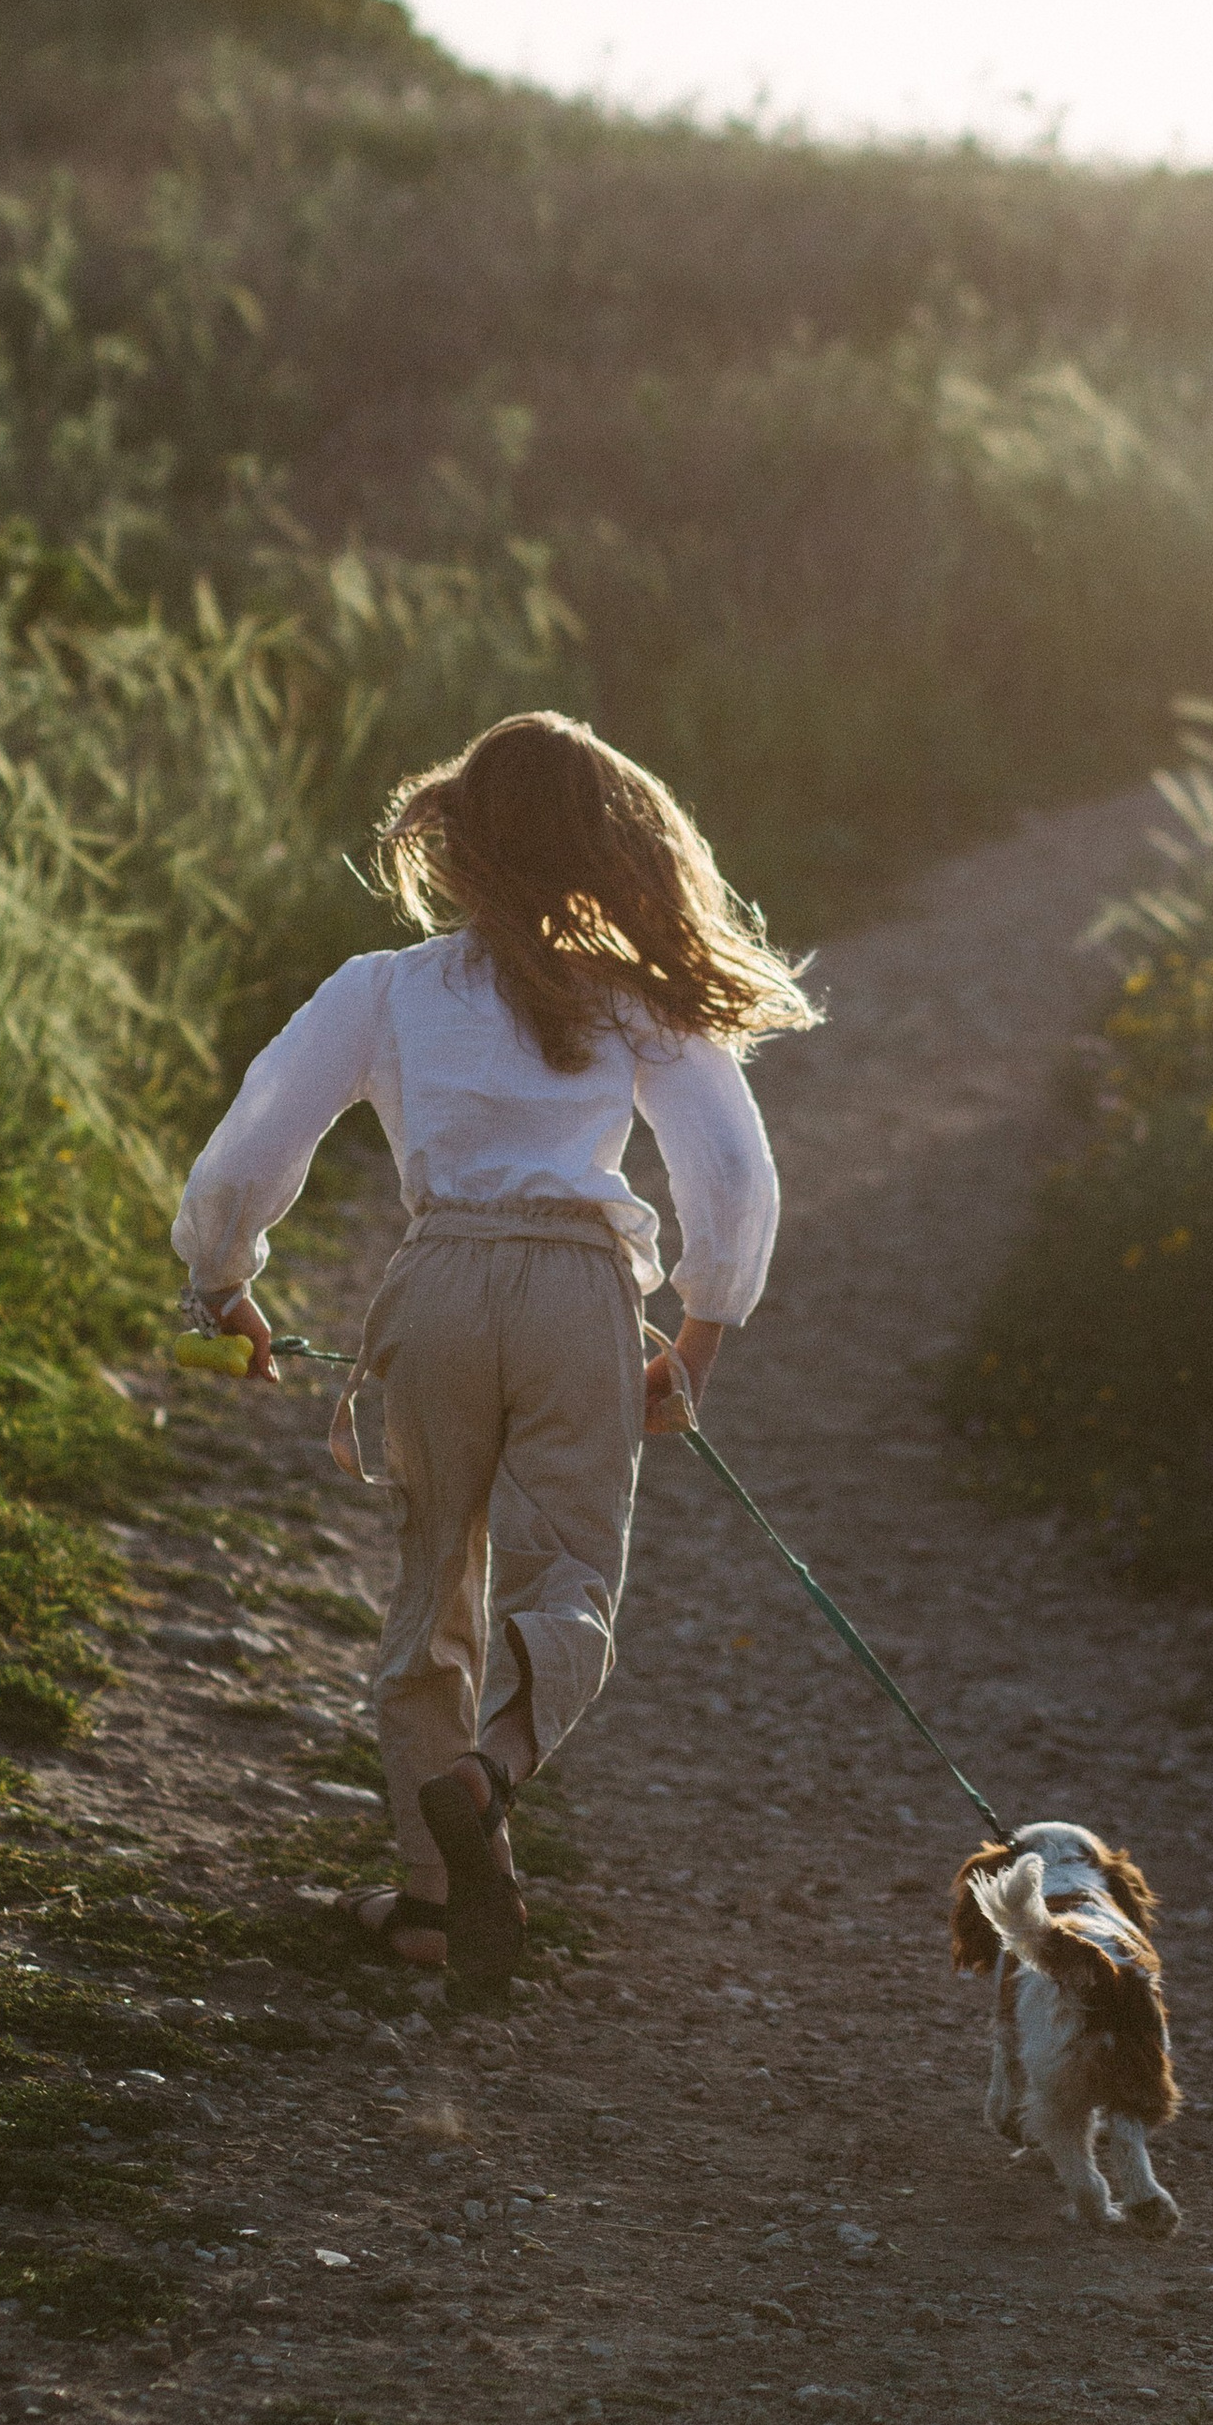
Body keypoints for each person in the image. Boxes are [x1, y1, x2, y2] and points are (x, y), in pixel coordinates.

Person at [170, 709, 816, 1981]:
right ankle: (494, 1768)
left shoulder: (382, 989)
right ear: (607, 849)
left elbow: (254, 1142)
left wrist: (220, 1281)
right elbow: (735, 1175)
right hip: (580, 1295)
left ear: (456, 845)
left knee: (432, 1589)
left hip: (438, 1286)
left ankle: (432, 1901)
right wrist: (695, 1343)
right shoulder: (635, 998)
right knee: (567, 1576)